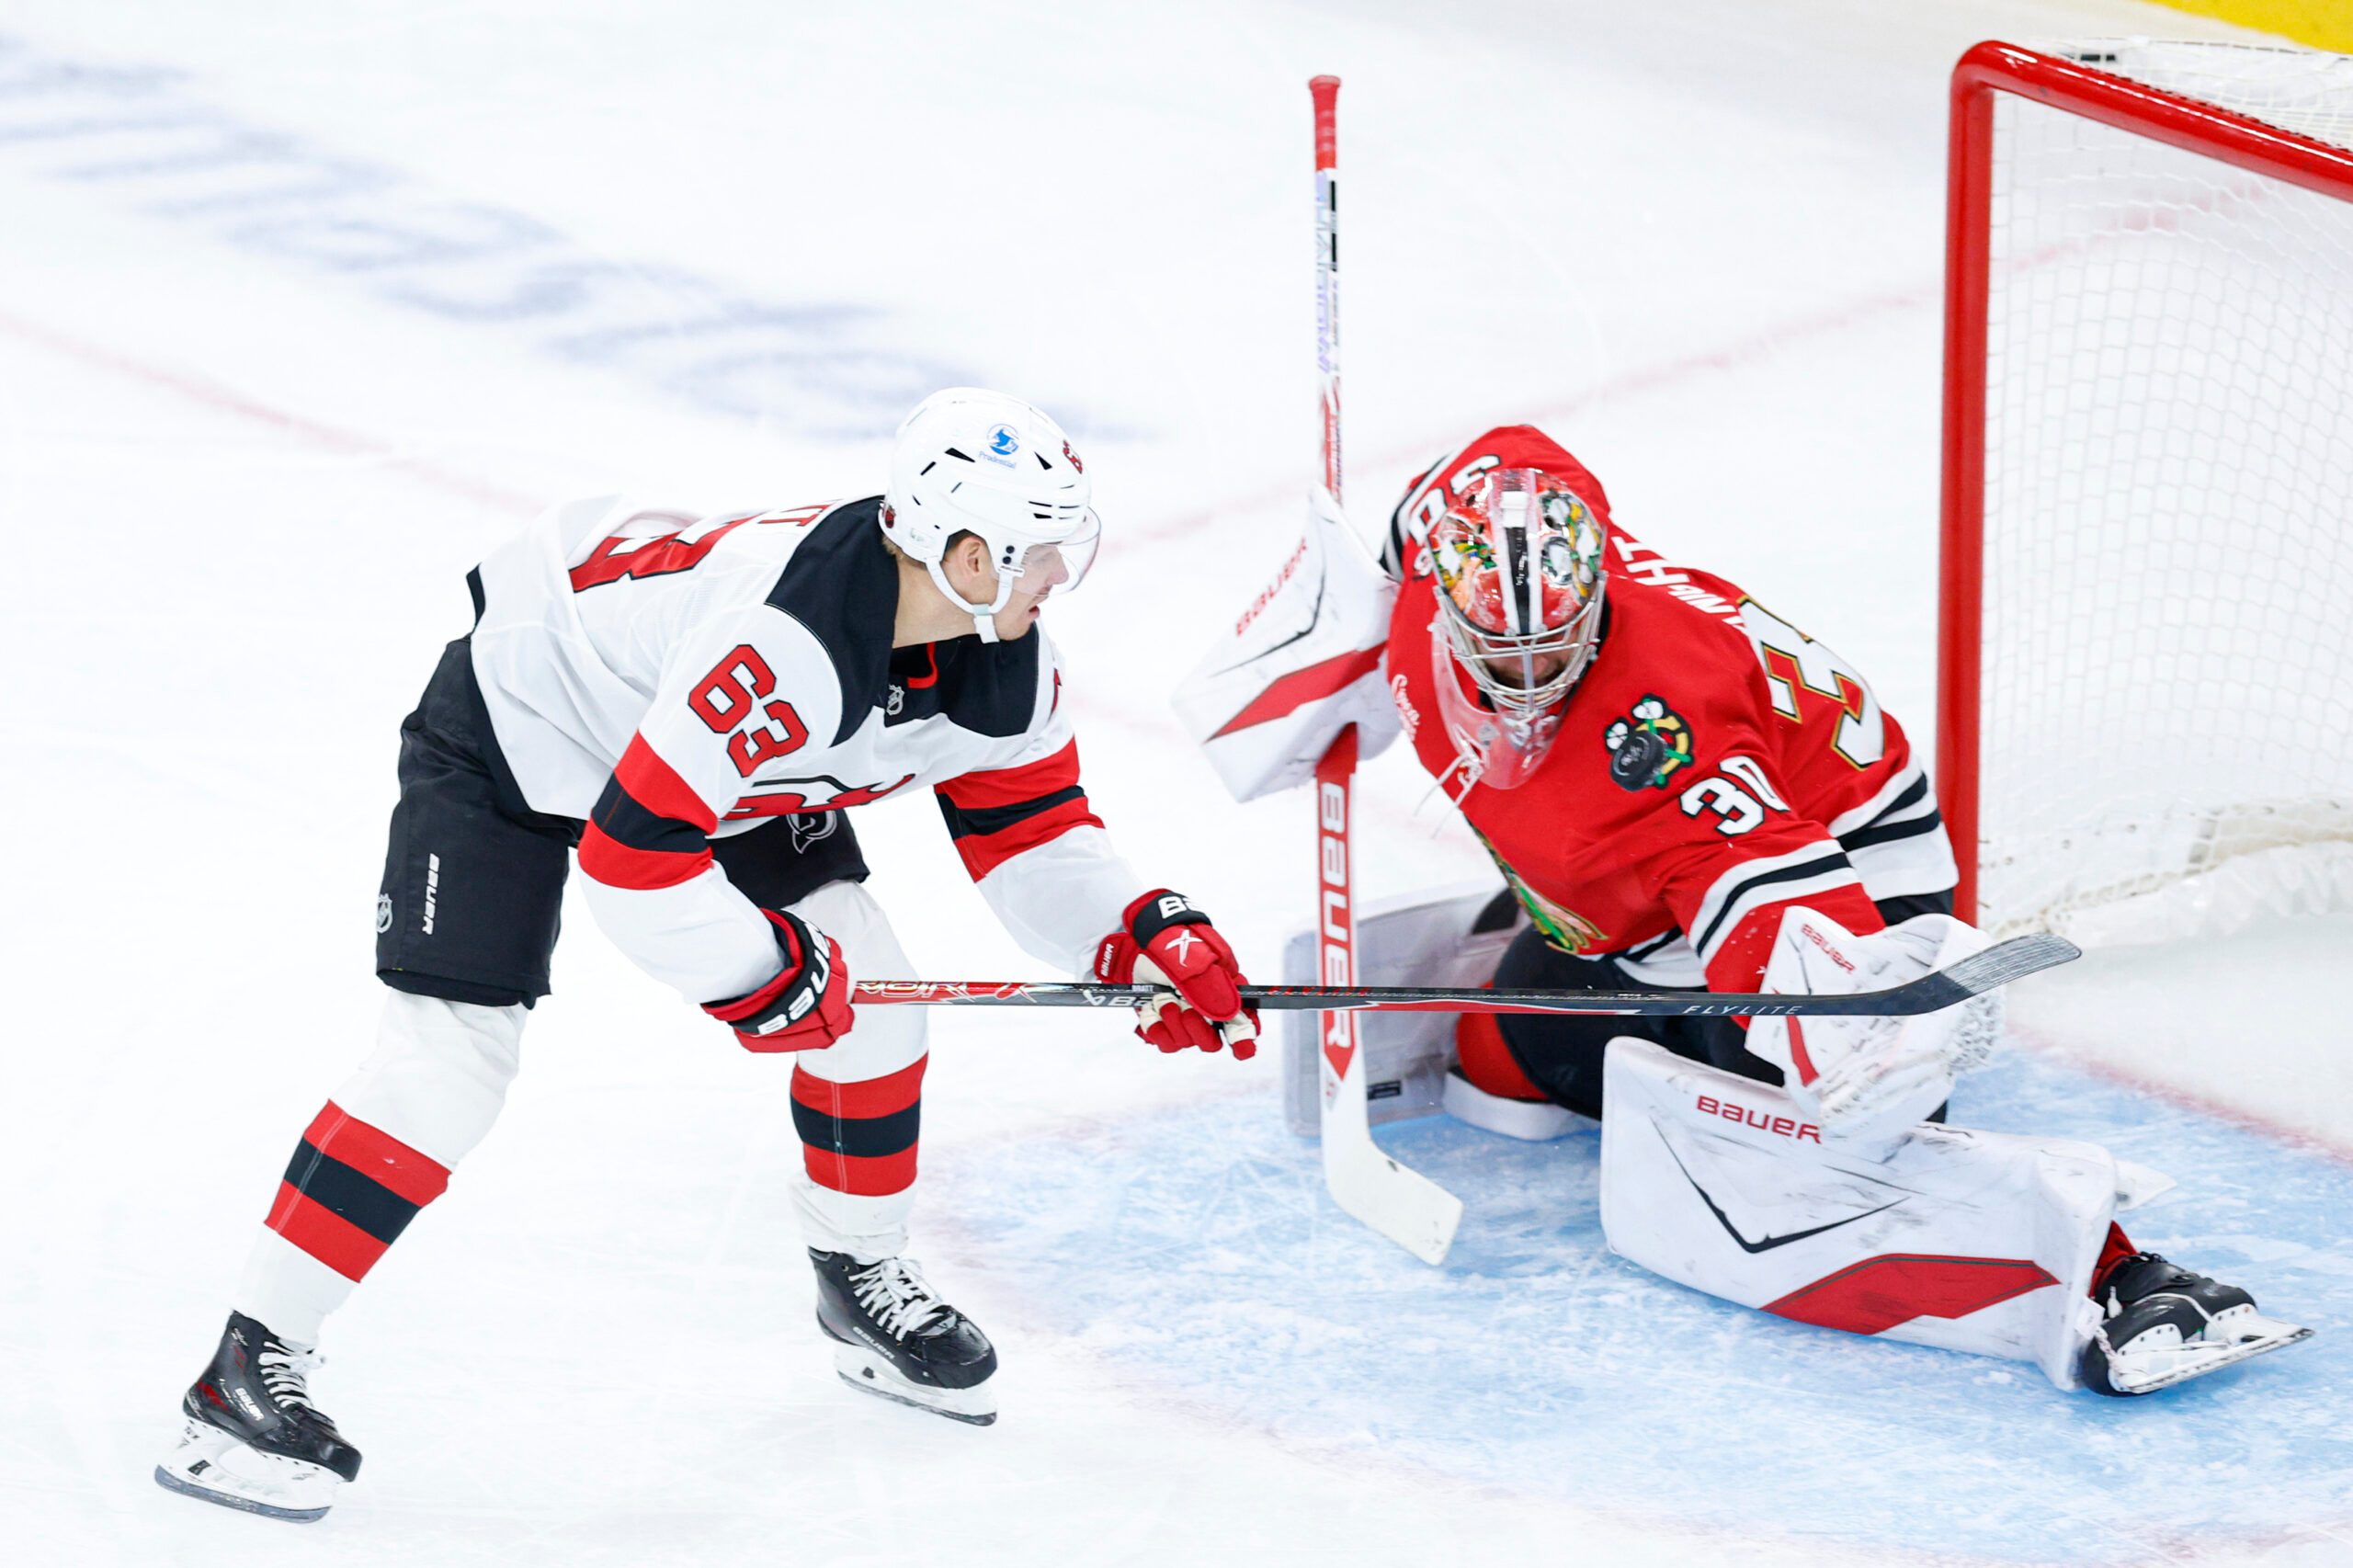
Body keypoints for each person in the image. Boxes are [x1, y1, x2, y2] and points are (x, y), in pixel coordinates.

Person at [155, 388, 1258, 1522]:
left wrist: (1139, 934)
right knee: (447, 1065)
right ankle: (243, 1371)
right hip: (527, 721)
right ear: (963, 550)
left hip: (705, 764)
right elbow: (636, 860)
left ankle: (856, 1277)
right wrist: (763, 977)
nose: (1059, 579)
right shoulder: (782, 646)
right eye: (1040, 552)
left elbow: (1030, 829)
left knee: (876, 1012)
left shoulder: (996, 653)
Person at [1376, 423, 2305, 1397]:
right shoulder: (1439, 566)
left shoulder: (1660, 728)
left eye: (1558, 643)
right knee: (1500, 1047)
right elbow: (1504, 453)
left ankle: (2122, 1271)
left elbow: (1770, 888)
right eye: (1501, 650)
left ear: (1598, 595)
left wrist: (1859, 1038)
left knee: (1833, 1136)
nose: (1529, 681)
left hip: (1849, 867)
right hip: (1672, 888)